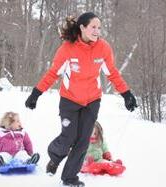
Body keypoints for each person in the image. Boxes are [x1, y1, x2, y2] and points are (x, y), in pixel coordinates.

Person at [25, 12, 137, 187]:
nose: (97, 31)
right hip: (70, 100)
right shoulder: (67, 48)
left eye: (99, 27)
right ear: (82, 28)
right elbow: (53, 73)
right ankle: (54, 157)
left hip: (92, 100)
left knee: (83, 141)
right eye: (93, 27)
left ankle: (69, 178)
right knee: (68, 138)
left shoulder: (104, 48)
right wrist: (36, 93)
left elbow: (112, 73)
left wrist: (126, 94)